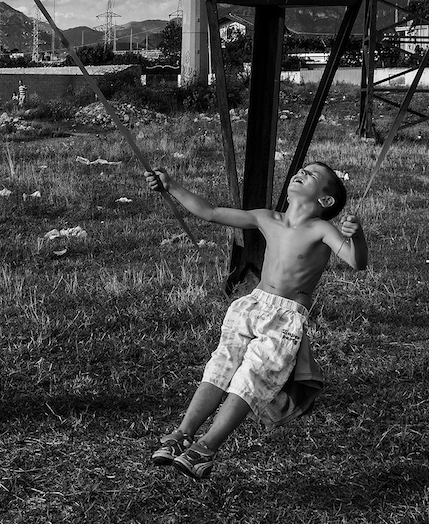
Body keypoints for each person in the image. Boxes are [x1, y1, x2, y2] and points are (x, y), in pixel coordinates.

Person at [144, 162, 367, 480]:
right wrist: (171, 186)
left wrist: (357, 236)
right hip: (250, 306)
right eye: (301, 169)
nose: (301, 173)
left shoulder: (322, 229)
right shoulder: (267, 217)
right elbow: (210, 212)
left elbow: (356, 262)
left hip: (285, 317)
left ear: (326, 201)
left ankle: (206, 449)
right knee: (220, 366)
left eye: (312, 175)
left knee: (250, 378)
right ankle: (182, 434)